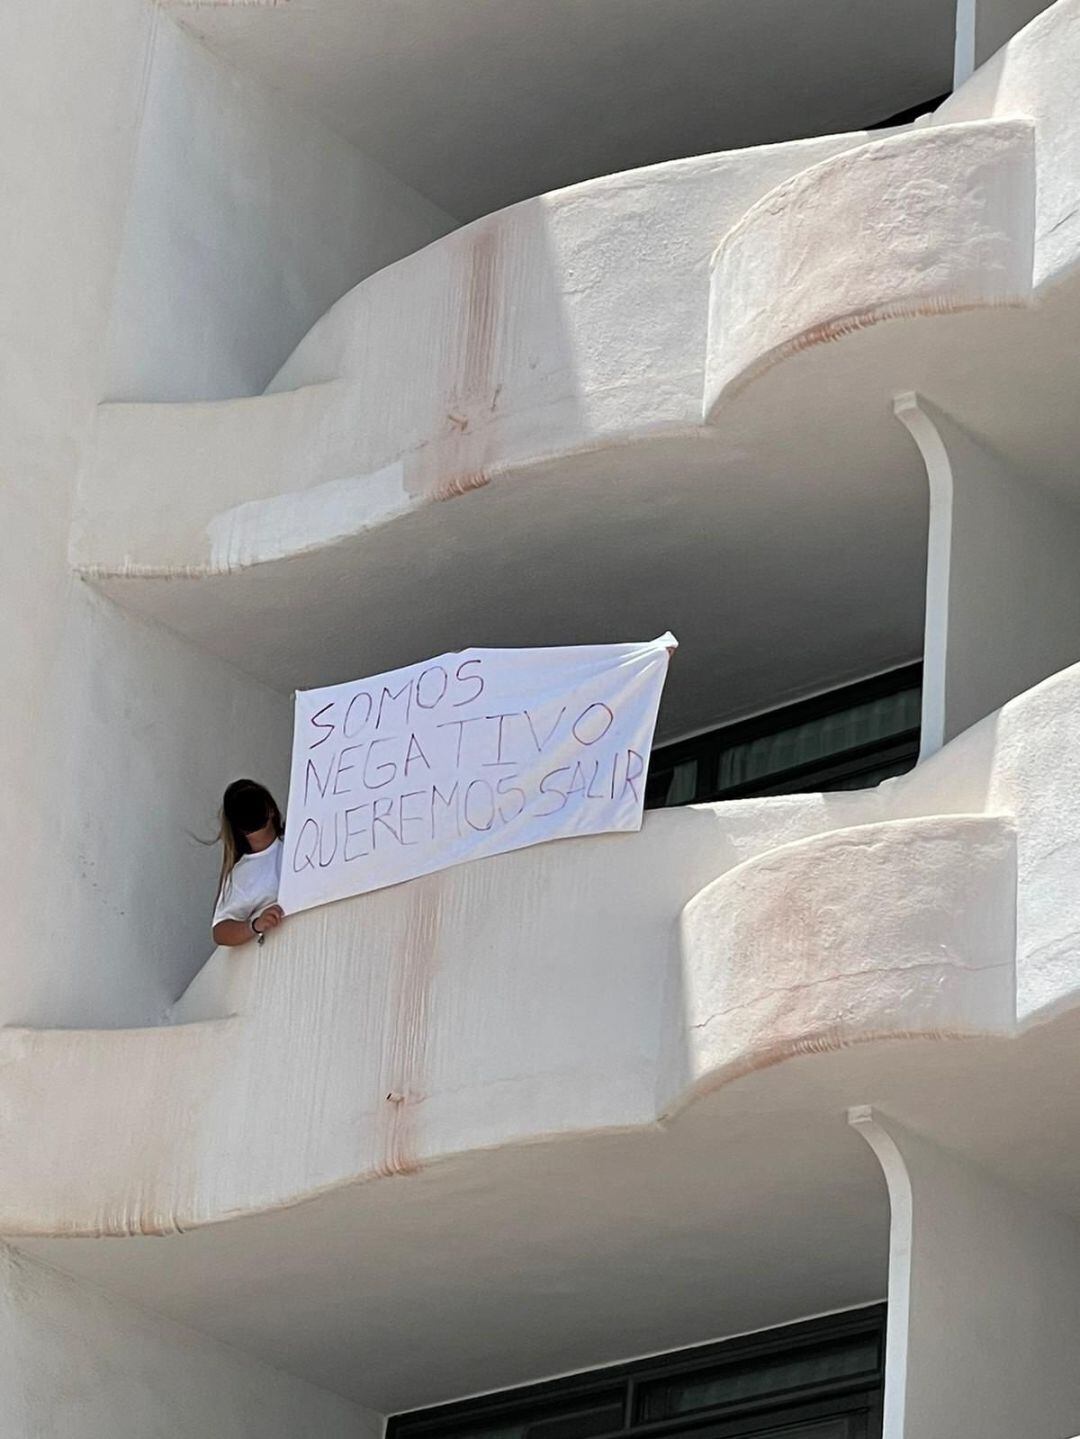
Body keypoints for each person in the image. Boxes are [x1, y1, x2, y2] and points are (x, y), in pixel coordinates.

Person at [211, 779, 286, 948]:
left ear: (270, 809)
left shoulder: (298, 839)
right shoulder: (240, 874)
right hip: (282, 948)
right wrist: (255, 925)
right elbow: (220, 930)